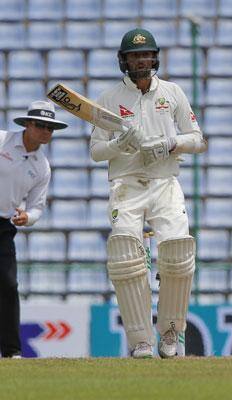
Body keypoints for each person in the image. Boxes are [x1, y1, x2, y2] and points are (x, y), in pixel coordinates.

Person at [90, 28, 207, 358]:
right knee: (126, 255)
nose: (141, 60)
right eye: (134, 56)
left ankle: (172, 334)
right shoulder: (108, 99)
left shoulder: (172, 93)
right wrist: (117, 145)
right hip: (126, 185)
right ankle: (140, 340)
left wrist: (171, 143)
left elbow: (198, 139)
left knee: (178, 254)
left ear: (155, 58)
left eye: (146, 55)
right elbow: (95, 151)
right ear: (123, 61)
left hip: (165, 182)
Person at [0, 101, 68, 358]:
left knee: (7, 285)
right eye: (40, 125)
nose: (45, 131)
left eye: (50, 128)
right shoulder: (3, 140)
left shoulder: (42, 167)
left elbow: (37, 207)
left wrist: (27, 217)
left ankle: (11, 351)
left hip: (4, 227)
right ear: (27, 124)